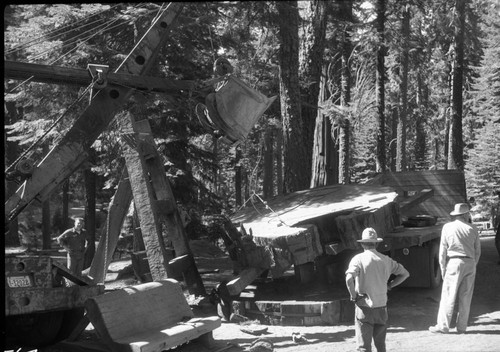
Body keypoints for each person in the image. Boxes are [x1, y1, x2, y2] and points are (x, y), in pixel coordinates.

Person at [345, 227, 410, 352]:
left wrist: (354, 296)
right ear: (376, 243)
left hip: (364, 307)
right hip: (381, 307)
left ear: (363, 243)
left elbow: (349, 279)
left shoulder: (358, 259)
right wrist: (390, 285)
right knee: (381, 346)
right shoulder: (386, 260)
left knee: (364, 347)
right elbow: (405, 274)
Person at [429, 203, 481, 334]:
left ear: (456, 215)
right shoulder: (473, 228)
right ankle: (462, 327)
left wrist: (442, 268)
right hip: (469, 262)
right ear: (465, 215)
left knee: (448, 295)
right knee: (466, 297)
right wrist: (473, 265)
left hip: (454, 262)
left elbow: (442, 251)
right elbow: (477, 251)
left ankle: (443, 326)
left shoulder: (447, 227)